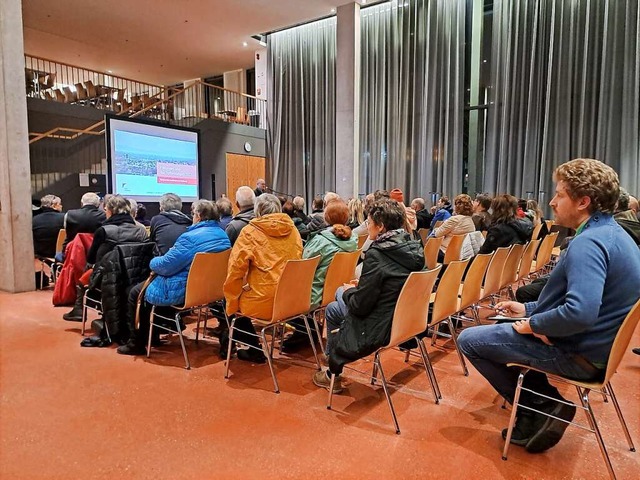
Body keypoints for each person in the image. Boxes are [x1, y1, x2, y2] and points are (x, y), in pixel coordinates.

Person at [458, 158, 640, 454]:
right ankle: (540, 408)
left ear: (583, 201)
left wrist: (534, 325)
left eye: (560, 194)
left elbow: (580, 311)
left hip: (577, 354)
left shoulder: (589, 243)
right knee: (504, 329)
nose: (553, 202)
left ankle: (542, 407)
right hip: (596, 350)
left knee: (470, 340)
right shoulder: (618, 235)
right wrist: (529, 311)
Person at [312, 199, 425, 393]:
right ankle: (331, 363)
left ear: (380, 226)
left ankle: (333, 372)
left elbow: (360, 306)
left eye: (369, 222)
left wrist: (347, 291)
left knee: (336, 299)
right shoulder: (413, 247)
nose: (367, 226)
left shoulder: (378, 254)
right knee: (333, 307)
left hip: (379, 326)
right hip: (406, 322)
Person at [117, 200, 231, 355]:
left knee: (136, 293)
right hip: (211, 291)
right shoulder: (222, 235)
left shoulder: (189, 238)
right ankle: (154, 335)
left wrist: (152, 261)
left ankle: (137, 343)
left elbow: (165, 265)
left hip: (184, 292)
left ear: (198, 215)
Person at [223, 193, 303, 363]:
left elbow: (235, 271)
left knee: (230, 305)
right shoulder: (293, 229)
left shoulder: (250, 232)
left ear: (257, 211)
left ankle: (254, 349)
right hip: (291, 299)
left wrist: (231, 299)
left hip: (264, 301)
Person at [283, 200, 358, 351]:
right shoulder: (353, 240)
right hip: (334, 292)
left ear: (326, 217)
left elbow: (302, 265)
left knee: (281, 289)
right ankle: (309, 328)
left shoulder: (321, 241)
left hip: (314, 293)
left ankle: (308, 328)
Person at [63, 194, 148, 321]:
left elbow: (92, 259)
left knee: (82, 281)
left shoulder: (104, 231)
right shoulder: (141, 231)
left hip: (108, 278)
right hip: (135, 277)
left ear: (110, 211)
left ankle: (79, 309)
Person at [59, 192, 106, 261]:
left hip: (72, 253)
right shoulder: (104, 216)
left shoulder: (69, 214)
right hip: (96, 255)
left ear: (82, 203)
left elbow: (67, 231)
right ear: (98, 204)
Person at [430, 194, 476, 262]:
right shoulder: (470, 220)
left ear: (457, 206)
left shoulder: (454, 219)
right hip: (461, 253)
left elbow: (437, 234)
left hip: (446, 252)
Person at [32, 194, 64, 259]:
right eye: (59, 204)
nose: (61, 206)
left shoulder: (34, 220)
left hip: (40, 257)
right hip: (60, 256)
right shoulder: (65, 218)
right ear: (54, 205)